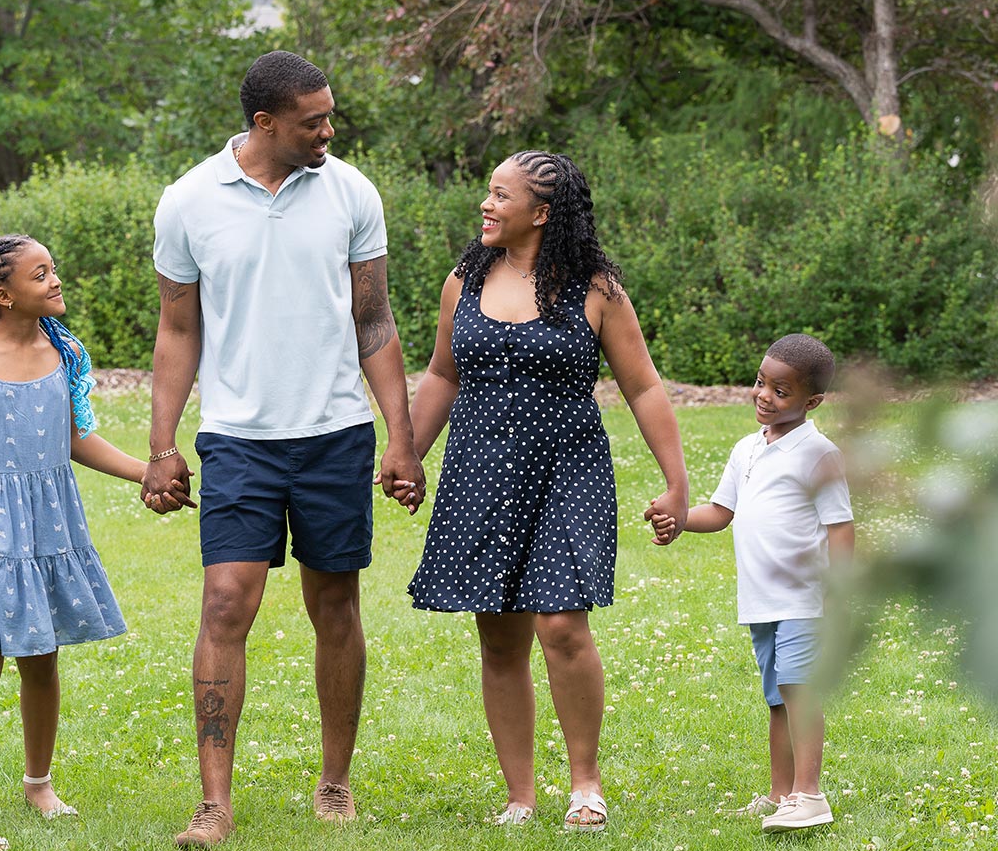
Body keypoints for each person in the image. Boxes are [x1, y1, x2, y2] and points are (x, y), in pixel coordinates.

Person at [142, 51, 425, 846]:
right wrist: (161, 444)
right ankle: (214, 802)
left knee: (334, 604)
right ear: (265, 123)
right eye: (313, 121)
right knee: (225, 601)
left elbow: (374, 323)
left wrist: (400, 439)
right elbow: (177, 328)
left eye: (329, 116)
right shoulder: (189, 200)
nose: (328, 131)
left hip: (336, 434)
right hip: (237, 437)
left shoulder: (351, 193)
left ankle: (334, 782)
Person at [403, 151, 689, 831]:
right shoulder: (463, 280)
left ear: (541, 213)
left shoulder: (595, 289)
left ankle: (584, 784)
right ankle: (520, 796)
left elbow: (642, 385)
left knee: (561, 626)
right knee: (498, 638)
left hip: (566, 470)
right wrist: (407, 453)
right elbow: (442, 375)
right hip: (478, 472)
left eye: (500, 195)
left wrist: (677, 483)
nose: (486, 204)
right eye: (487, 192)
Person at [0, 235, 174, 851]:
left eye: (53, 268)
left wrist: (145, 471)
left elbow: (75, 440)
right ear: (4, 295)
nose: (55, 280)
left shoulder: (64, 352)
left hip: (47, 523)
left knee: (42, 656)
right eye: (40, 273)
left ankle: (39, 783)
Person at [653, 333, 854, 833]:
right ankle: (779, 794)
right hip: (761, 601)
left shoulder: (820, 454)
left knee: (798, 688)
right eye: (761, 383)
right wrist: (678, 519)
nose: (764, 395)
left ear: (812, 402)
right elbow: (721, 512)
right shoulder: (747, 449)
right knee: (778, 698)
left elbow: (841, 526)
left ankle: (810, 794)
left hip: (807, 597)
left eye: (780, 391)